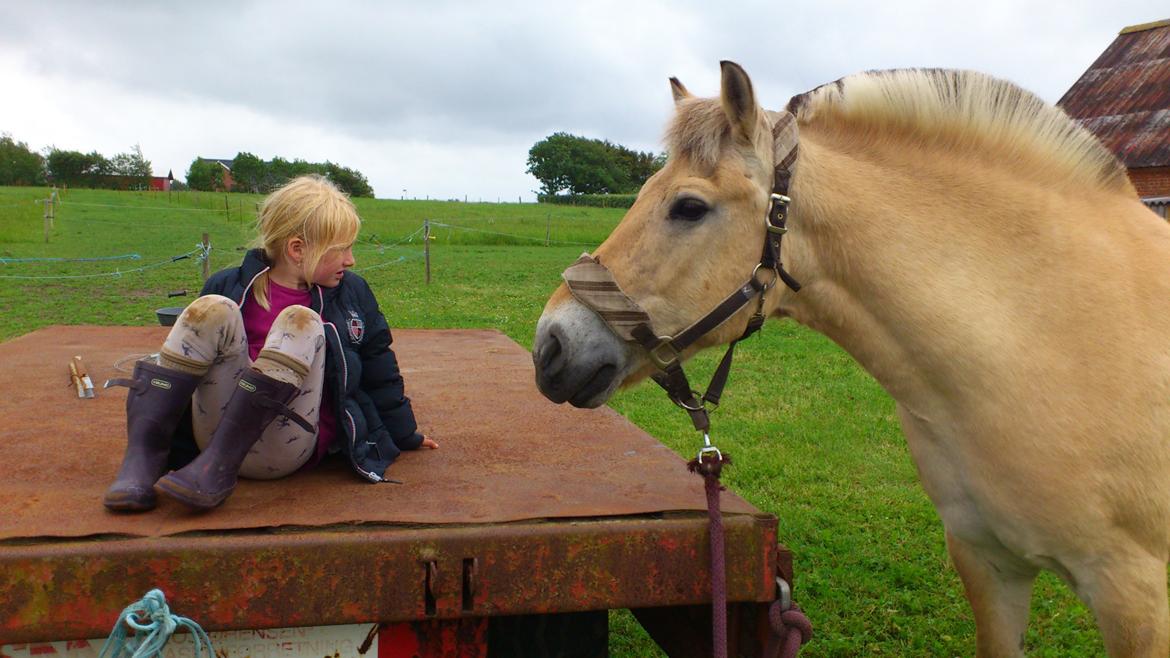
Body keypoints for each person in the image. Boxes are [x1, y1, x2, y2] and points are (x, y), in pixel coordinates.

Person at [103, 174, 436, 512]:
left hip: (287, 446)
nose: (350, 260)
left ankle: (218, 466)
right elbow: (192, 376)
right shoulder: (228, 285)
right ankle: (145, 458)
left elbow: (380, 368)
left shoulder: (351, 294)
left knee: (301, 322)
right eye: (341, 250)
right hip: (212, 437)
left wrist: (405, 434)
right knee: (210, 309)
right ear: (297, 249)